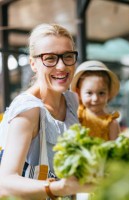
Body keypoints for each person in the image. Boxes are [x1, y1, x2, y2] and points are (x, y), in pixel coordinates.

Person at [0, 23, 91, 199]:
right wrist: (58, 188)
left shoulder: (71, 100)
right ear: (33, 64)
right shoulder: (29, 110)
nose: (62, 66)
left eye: (67, 56)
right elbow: (4, 183)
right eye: (50, 58)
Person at [71, 60, 121, 141]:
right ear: (78, 93)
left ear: (108, 94)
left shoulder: (112, 124)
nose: (95, 99)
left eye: (101, 93)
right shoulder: (77, 117)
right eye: (89, 93)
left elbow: (115, 150)